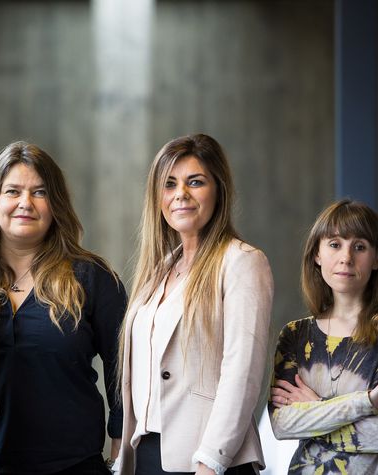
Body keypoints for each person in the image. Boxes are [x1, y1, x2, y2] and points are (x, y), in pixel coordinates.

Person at [0, 141, 126, 475]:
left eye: (39, 192)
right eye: (13, 191)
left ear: (55, 204)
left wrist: (119, 447)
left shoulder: (91, 277)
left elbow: (124, 369)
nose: (25, 203)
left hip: (74, 466)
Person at [115, 133, 274, 475]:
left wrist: (210, 461)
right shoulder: (160, 270)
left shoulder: (242, 261)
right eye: (169, 184)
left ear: (219, 189)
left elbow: (242, 372)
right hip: (148, 457)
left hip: (210, 461)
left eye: (195, 182)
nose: (180, 195)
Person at [269, 199, 378, 474]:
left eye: (359, 246)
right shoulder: (295, 335)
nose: (346, 257)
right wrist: (363, 404)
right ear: (317, 255)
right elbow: (282, 426)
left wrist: (315, 409)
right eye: (334, 244)